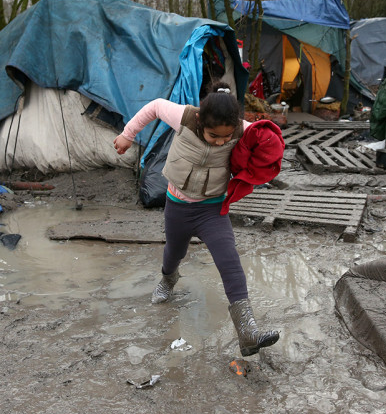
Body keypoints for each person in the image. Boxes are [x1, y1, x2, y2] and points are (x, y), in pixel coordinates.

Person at [113, 81, 280, 357]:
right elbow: (154, 106)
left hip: (212, 209)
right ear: (201, 120)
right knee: (174, 252)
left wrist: (269, 148)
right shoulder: (186, 117)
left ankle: (247, 331)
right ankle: (168, 280)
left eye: (227, 138)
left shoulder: (240, 129)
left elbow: (267, 138)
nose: (221, 142)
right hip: (177, 206)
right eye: (214, 136)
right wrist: (127, 135)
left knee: (229, 260)